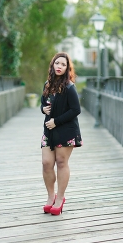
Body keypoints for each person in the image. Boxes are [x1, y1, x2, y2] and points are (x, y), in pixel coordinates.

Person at [40, 52, 82, 215]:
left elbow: (76, 110)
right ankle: (51, 196)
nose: (59, 66)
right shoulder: (47, 85)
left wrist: (56, 121)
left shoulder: (70, 87)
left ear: (67, 68)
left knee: (61, 162)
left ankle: (60, 198)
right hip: (49, 130)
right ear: (52, 65)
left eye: (63, 65)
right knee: (46, 163)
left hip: (66, 129)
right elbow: (44, 104)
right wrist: (42, 109)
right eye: (57, 63)